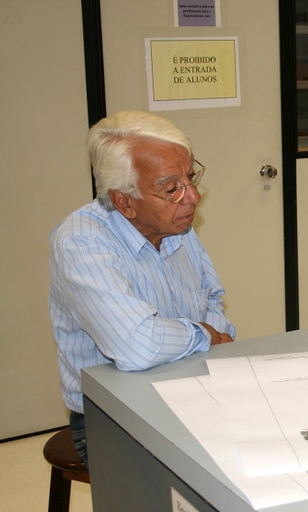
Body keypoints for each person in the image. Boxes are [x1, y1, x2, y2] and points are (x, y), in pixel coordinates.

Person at [49, 110, 236, 466]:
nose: (193, 196)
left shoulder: (176, 224)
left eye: (191, 177)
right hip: (115, 420)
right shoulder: (81, 243)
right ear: (123, 201)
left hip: (193, 392)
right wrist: (204, 335)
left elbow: (212, 299)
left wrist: (210, 333)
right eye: (171, 188)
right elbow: (136, 345)